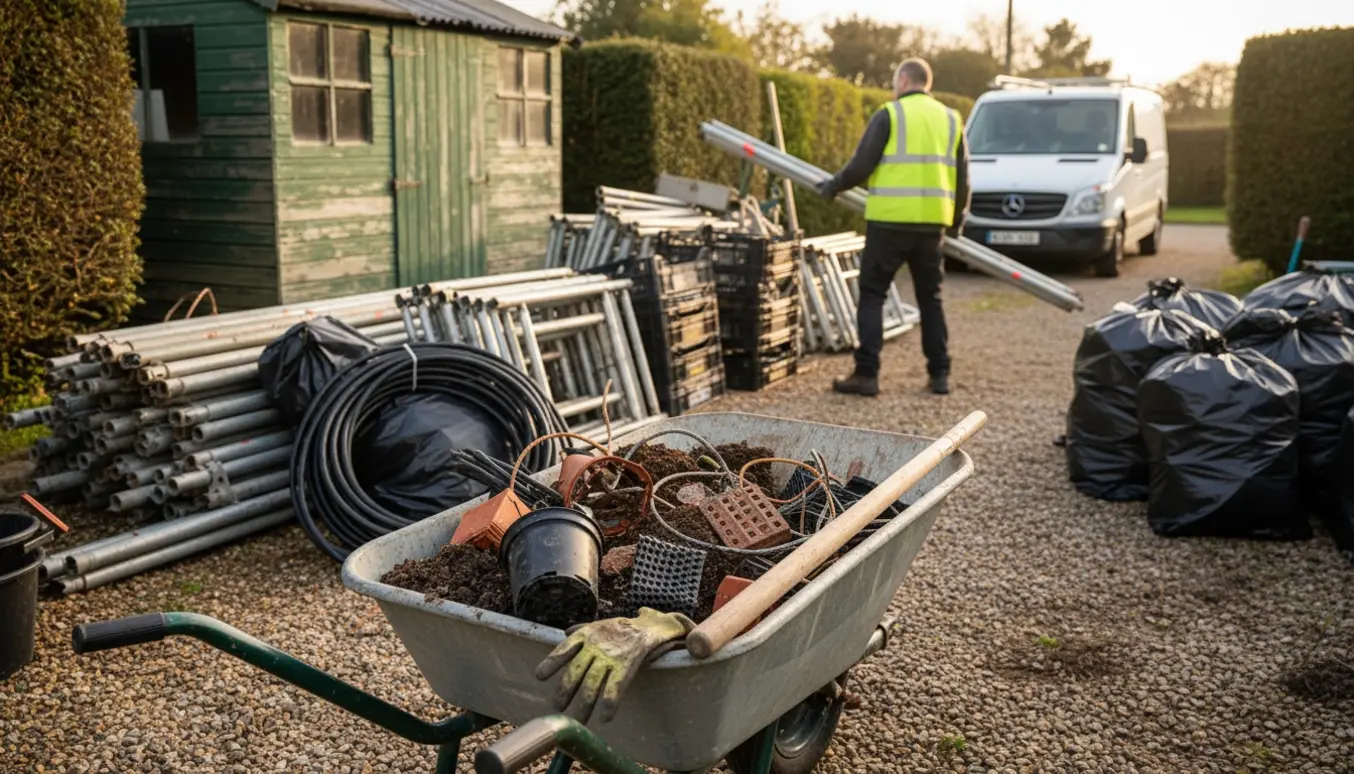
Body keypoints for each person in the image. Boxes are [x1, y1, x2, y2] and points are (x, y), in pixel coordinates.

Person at [816, 57, 971, 396]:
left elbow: (861, 165)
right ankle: (939, 375)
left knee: (872, 294)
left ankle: (867, 374)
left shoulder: (890, 114)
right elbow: (962, 179)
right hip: (932, 226)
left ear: (903, 81)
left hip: (889, 222)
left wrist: (833, 185)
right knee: (931, 299)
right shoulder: (950, 119)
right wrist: (956, 221)